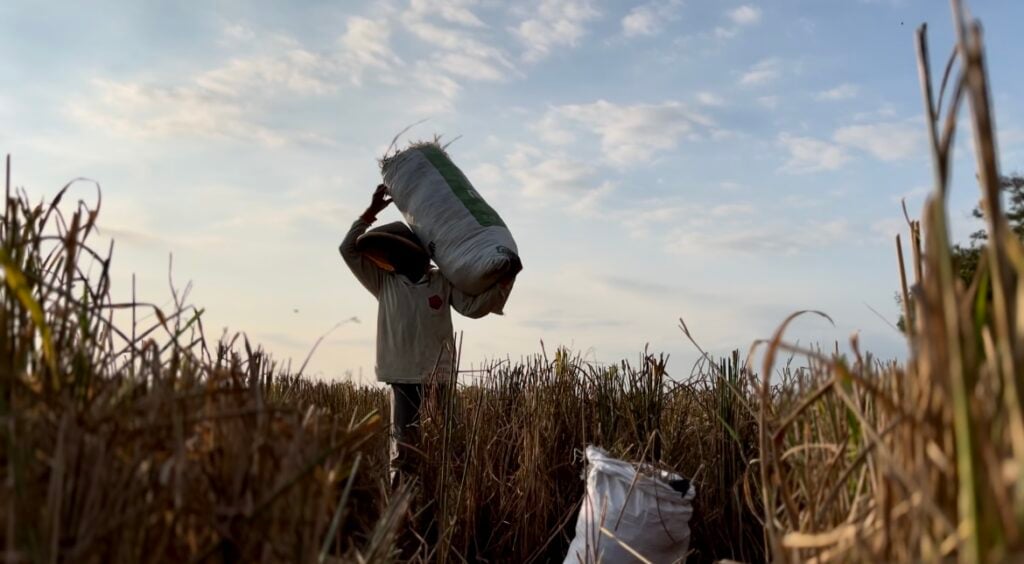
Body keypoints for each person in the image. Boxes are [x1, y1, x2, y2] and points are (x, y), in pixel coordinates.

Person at [339, 184, 515, 484]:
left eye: (400, 252)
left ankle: (440, 501)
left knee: (446, 446)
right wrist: (369, 214)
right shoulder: (383, 282)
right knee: (404, 452)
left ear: (417, 253)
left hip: (440, 379)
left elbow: (471, 307)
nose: (395, 259)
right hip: (402, 377)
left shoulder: (440, 281)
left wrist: (502, 283)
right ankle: (402, 511)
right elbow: (348, 249)